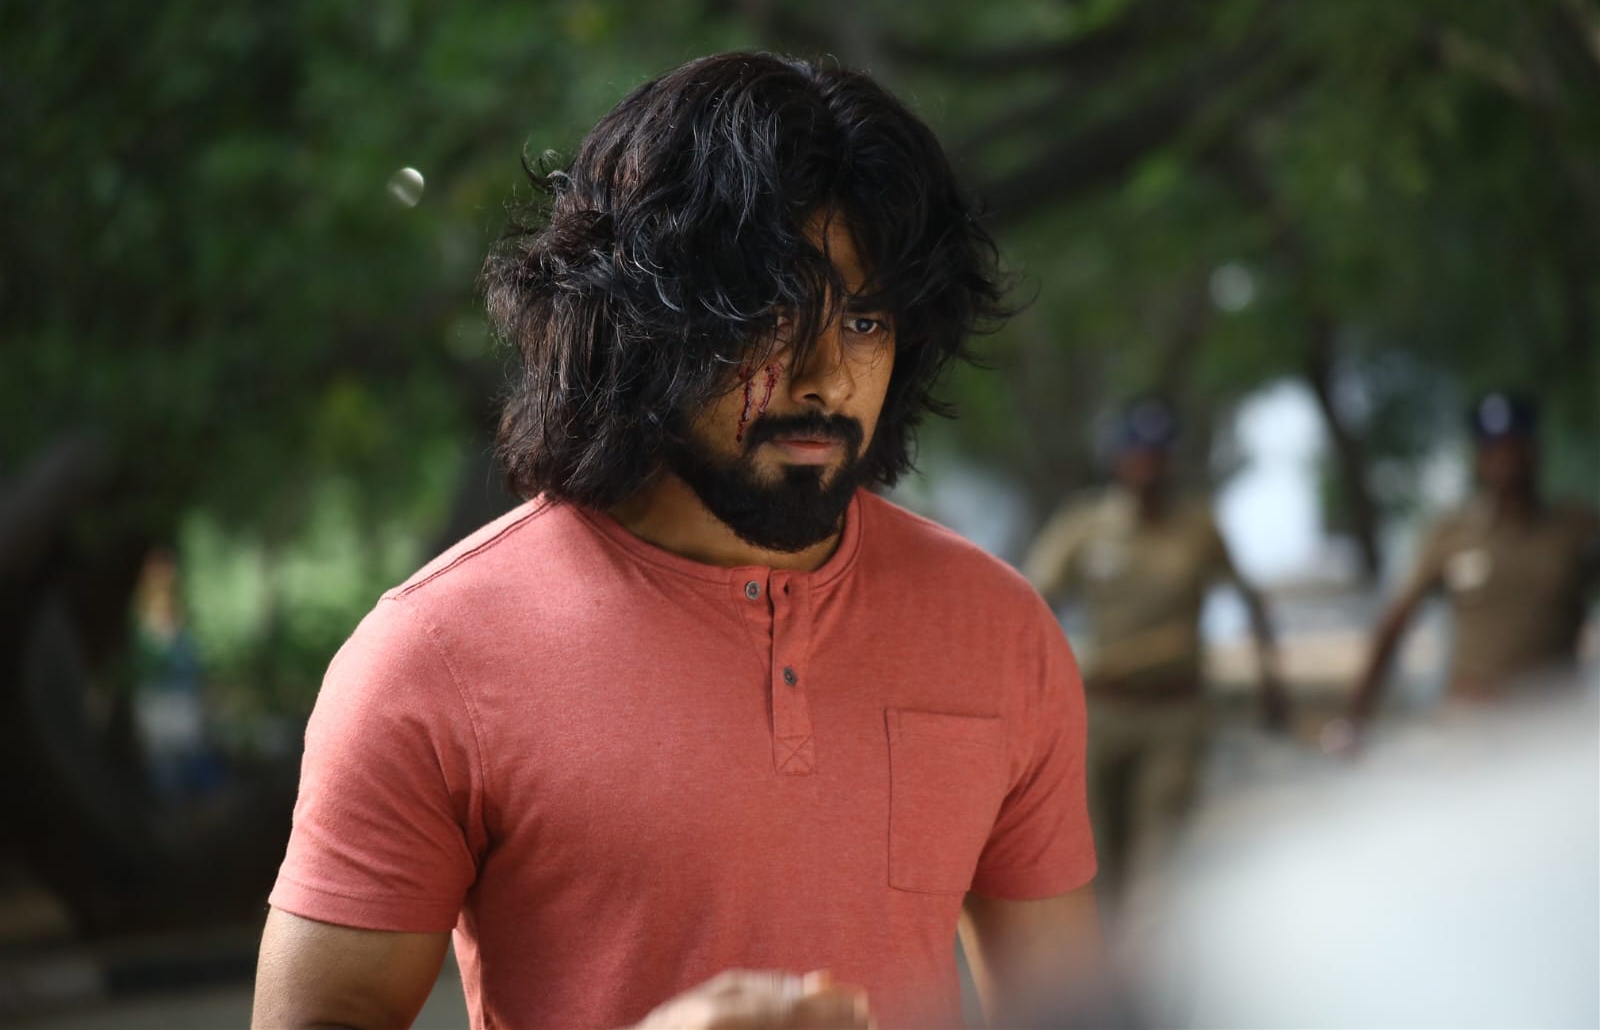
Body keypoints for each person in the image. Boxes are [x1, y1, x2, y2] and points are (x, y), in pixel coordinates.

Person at [252, 52, 1103, 1030]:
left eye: (866, 320)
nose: (826, 376)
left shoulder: (998, 632)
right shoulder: (432, 658)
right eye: (774, 315)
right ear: (643, 324)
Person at [1023, 396, 1286, 901]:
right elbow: (1031, 605)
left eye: (1160, 455)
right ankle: (1107, 948)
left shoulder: (1197, 528)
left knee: (1161, 862)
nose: (1149, 466)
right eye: (1139, 454)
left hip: (1174, 712)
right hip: (1101, 712)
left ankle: (1149, 944)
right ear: (1118, 458)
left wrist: (1271, 681)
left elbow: (1248, 599)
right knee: (1095, 859)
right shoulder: (1084, 526)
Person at [1346, 391, 1600, 730]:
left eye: (1515, 446)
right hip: (1472, 722)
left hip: (1554, 723)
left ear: (1535, 450)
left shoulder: (1576, 529)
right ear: (1480, 458)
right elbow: (1396, 623)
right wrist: (1354, 719)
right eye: (1494, 449)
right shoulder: (1451, 534)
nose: (1506, 460)